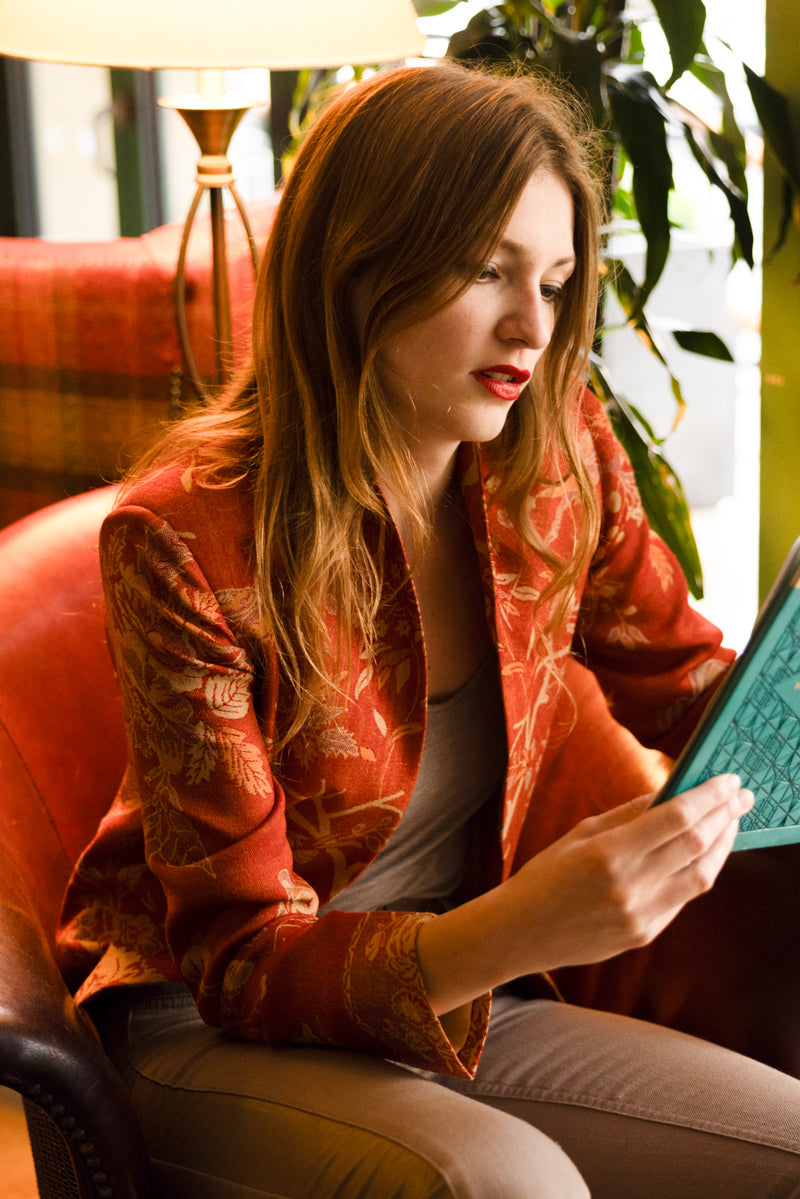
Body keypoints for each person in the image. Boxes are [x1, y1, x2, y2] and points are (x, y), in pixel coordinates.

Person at [57, 63, 800, 1197]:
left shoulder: (553, 459)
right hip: (208, 1024)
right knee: (507, 1187)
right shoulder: (183, 537)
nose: (531, 326)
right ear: (359, 262)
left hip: (467, 992)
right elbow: (238, 956)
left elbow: (687, 681)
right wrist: (522, 924)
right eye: (485, 270)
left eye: (553, 281)